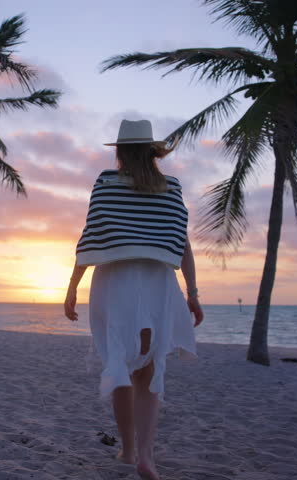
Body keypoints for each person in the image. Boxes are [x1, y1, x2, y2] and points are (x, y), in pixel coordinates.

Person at [64, 119, 204, 480]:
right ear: (154, 152)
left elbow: (91, 234)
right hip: (160, 281)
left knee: (120, 362)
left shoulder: (106, 183)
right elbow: (182, 243)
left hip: (115, 280)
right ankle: (146, 455)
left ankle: (127, 449)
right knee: (150, 369)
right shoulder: (172, 187)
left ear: (121, 153)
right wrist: (193, 294)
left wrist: (72, 286)